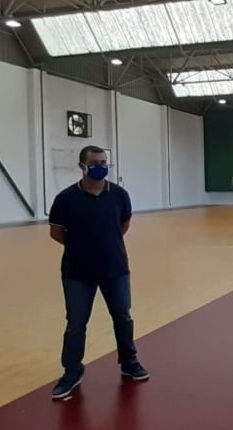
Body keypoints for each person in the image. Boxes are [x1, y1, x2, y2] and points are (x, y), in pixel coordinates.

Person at [48, 146, 148, 400]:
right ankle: (72, 371)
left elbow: (123, 225)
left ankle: (129, 362)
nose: (100, 166)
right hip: (77, 272)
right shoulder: (65, 199)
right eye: (94, 162)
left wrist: (105, 245)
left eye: (104, 162)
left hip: (115, 268)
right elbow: (56, 232)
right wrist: (83, 247)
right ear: (82, 165)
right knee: (76, 324)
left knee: (123, 317)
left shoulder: (120, 195)